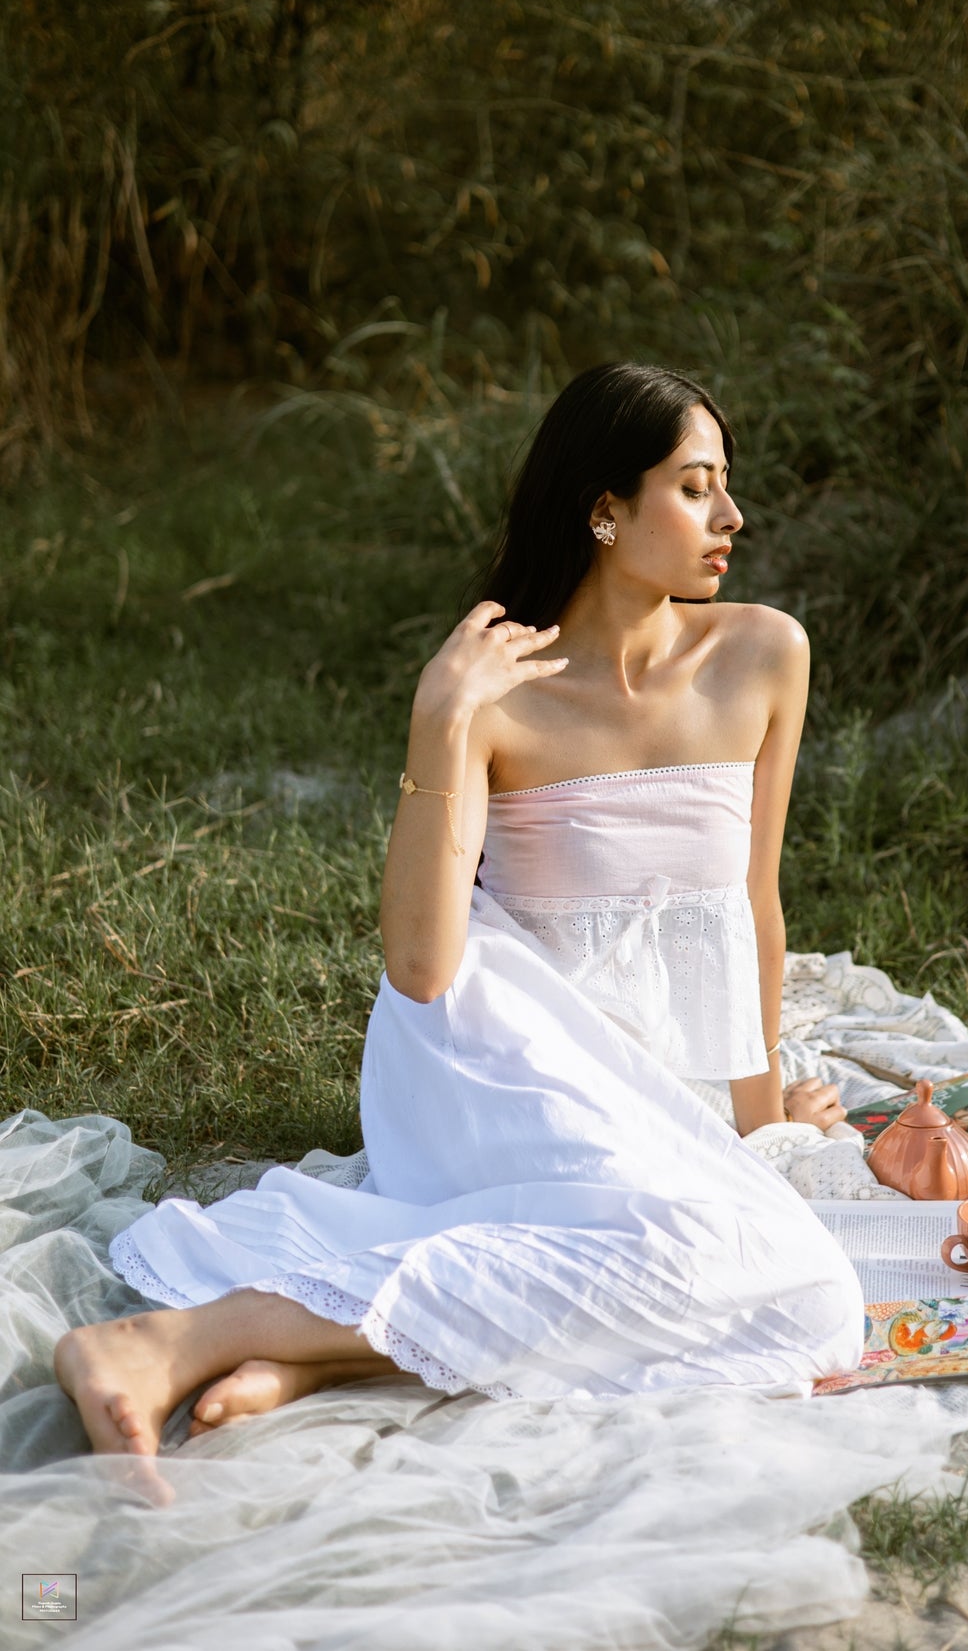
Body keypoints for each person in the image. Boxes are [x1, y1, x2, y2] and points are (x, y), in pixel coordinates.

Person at [54, 362, 864, 1463]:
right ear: (604, 510)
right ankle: (182, 1335)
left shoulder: (766, 653)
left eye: (723, 486)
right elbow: (424, 966)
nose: (732, 515)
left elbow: (751, 907)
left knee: (805, 1297)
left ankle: (311, 1350)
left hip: (651, 1081)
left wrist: (757, 1128)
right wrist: (441, 717)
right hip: (499, 1056)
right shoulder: (498, 688)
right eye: (694, 486)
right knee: (760, 1269)